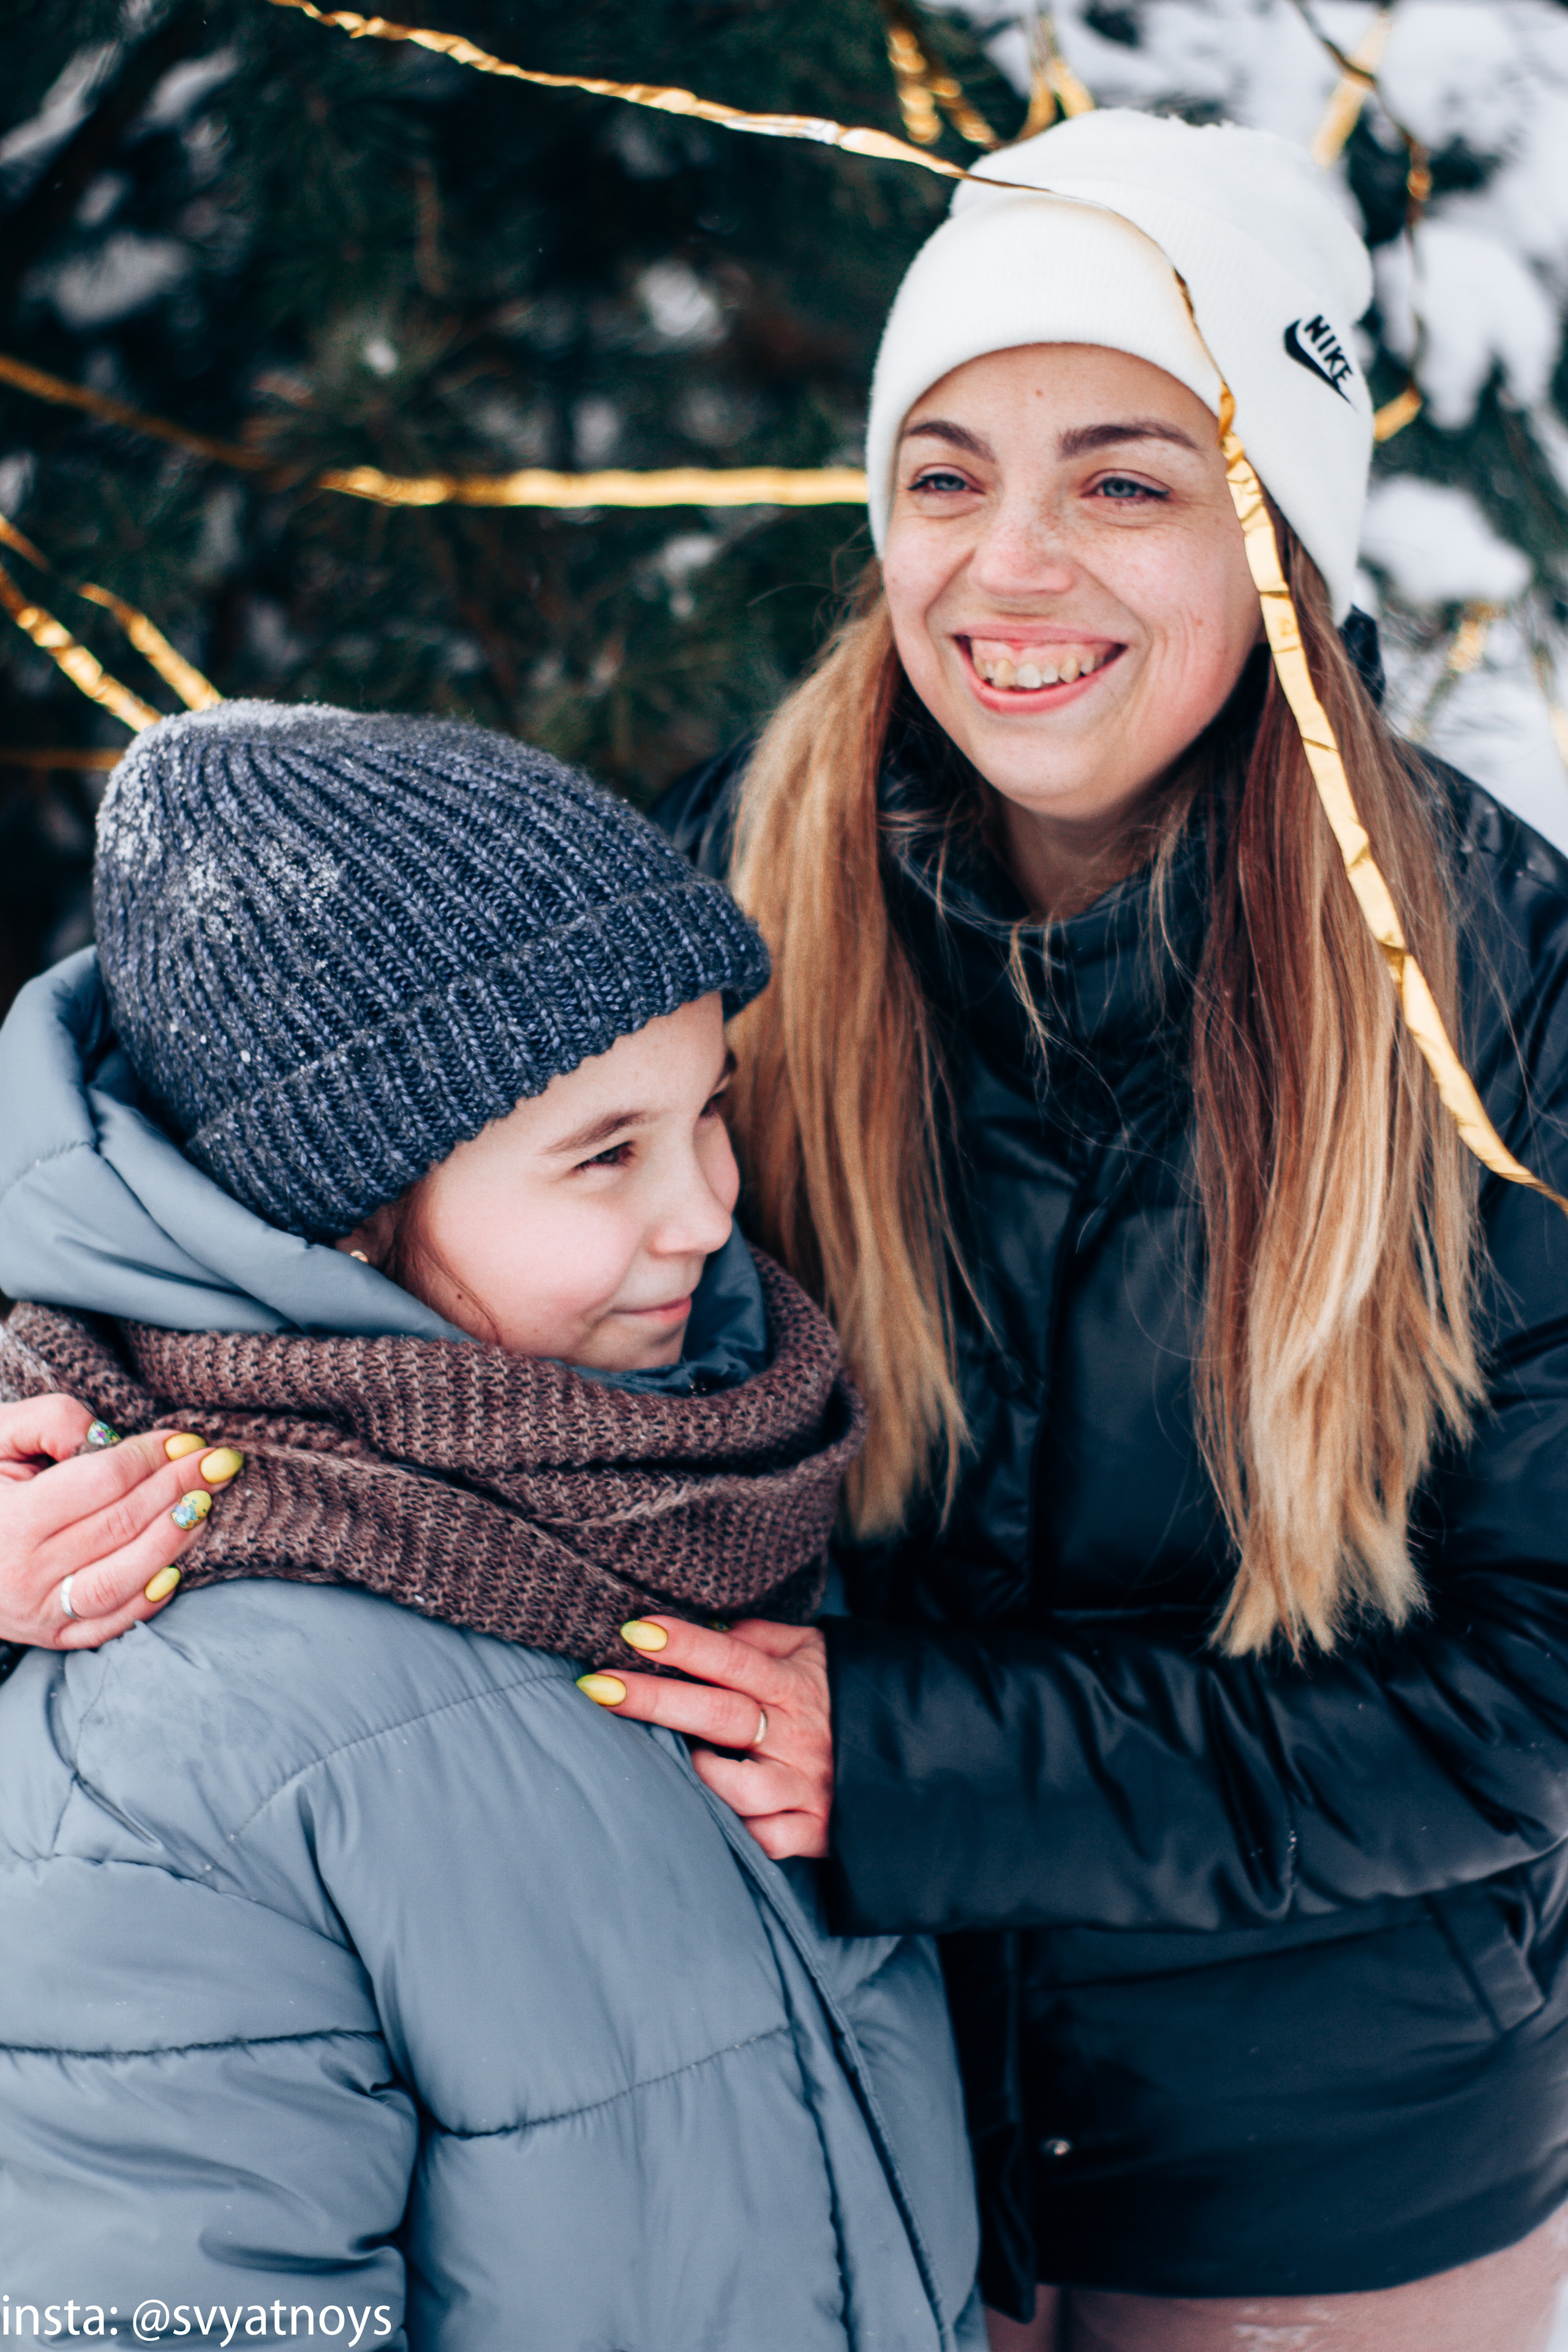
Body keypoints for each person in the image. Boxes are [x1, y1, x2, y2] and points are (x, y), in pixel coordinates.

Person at [578, 109, 1568, 2352]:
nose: (1007, 568)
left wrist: (908, 1761)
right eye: (945, 474)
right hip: (830, 2112)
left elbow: (1535, 1685)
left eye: (1124, 477)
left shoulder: (1498, 1001)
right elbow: (410, 1269)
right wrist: (102, 1447)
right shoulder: (725, 889)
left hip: (1327, 2197)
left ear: (1282, 535)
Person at [0, 704, 984, 2350]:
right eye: (603, 1156)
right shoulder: (176, 1740)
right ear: (353, 1221)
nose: (709, 1214)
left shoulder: (705, 1478)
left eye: (709, 1113)